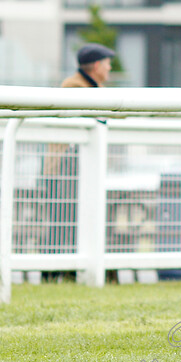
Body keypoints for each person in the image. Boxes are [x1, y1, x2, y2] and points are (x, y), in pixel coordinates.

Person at [41, 43, 115, 283]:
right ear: (95, 66)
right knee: (62, 222)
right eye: (106, 62)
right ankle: (53, 272)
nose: (110, 67)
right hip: (63, 169)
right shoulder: (73, 86)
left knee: (73, 221)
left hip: (75, 168)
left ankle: (66, 271)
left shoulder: (91, 85)